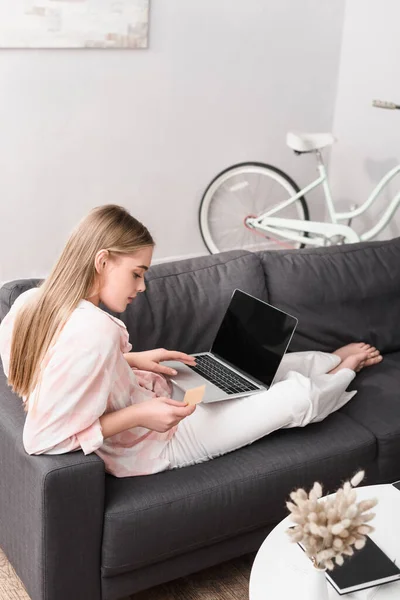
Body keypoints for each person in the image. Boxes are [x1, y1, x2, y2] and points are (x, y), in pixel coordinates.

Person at [0, 205, 383, 477]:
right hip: (156, 441)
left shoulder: (28, 302)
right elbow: (40, 439)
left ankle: (329, 360)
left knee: (261, 367)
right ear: (102, 261)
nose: (142, 286)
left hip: (155, 396)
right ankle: (344, 370)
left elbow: (53, 370)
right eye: (136, 273)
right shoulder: (95, 331)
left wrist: (134, 360)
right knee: (295, 398)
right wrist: (139, 415)